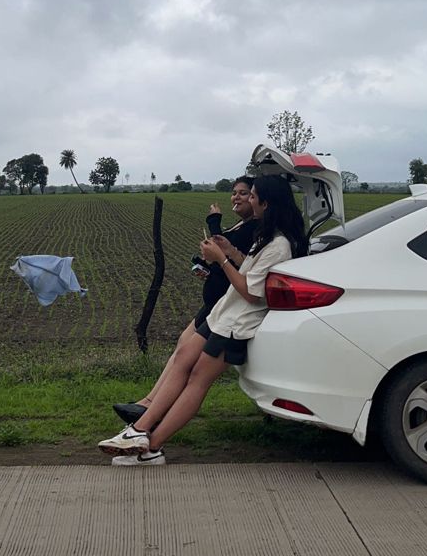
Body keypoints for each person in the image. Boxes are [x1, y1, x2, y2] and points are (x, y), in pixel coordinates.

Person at [99, 175, 307, 464]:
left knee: (198, 380)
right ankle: (143, 434)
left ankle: (148, 443)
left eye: (253, 195)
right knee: (188, 364)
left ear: (266, 202)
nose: (248, 200)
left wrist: (221, 259)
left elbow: (251, 292)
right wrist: (230, 250)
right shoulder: (267, 236)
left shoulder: (279, 244)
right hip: (226, 315)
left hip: (237, 323)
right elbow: (249, 269)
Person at [111, 178, 257, 427]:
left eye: (245, 194)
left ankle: (151, 411)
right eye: (235, 193)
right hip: (216, 301)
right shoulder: (244, 224)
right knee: (182, 349)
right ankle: (148, 404)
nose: (238, 197)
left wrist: (213, 221)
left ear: (258, 200)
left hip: (223, 304)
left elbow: (226, 251)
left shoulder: (252, 228)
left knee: (188, 361)